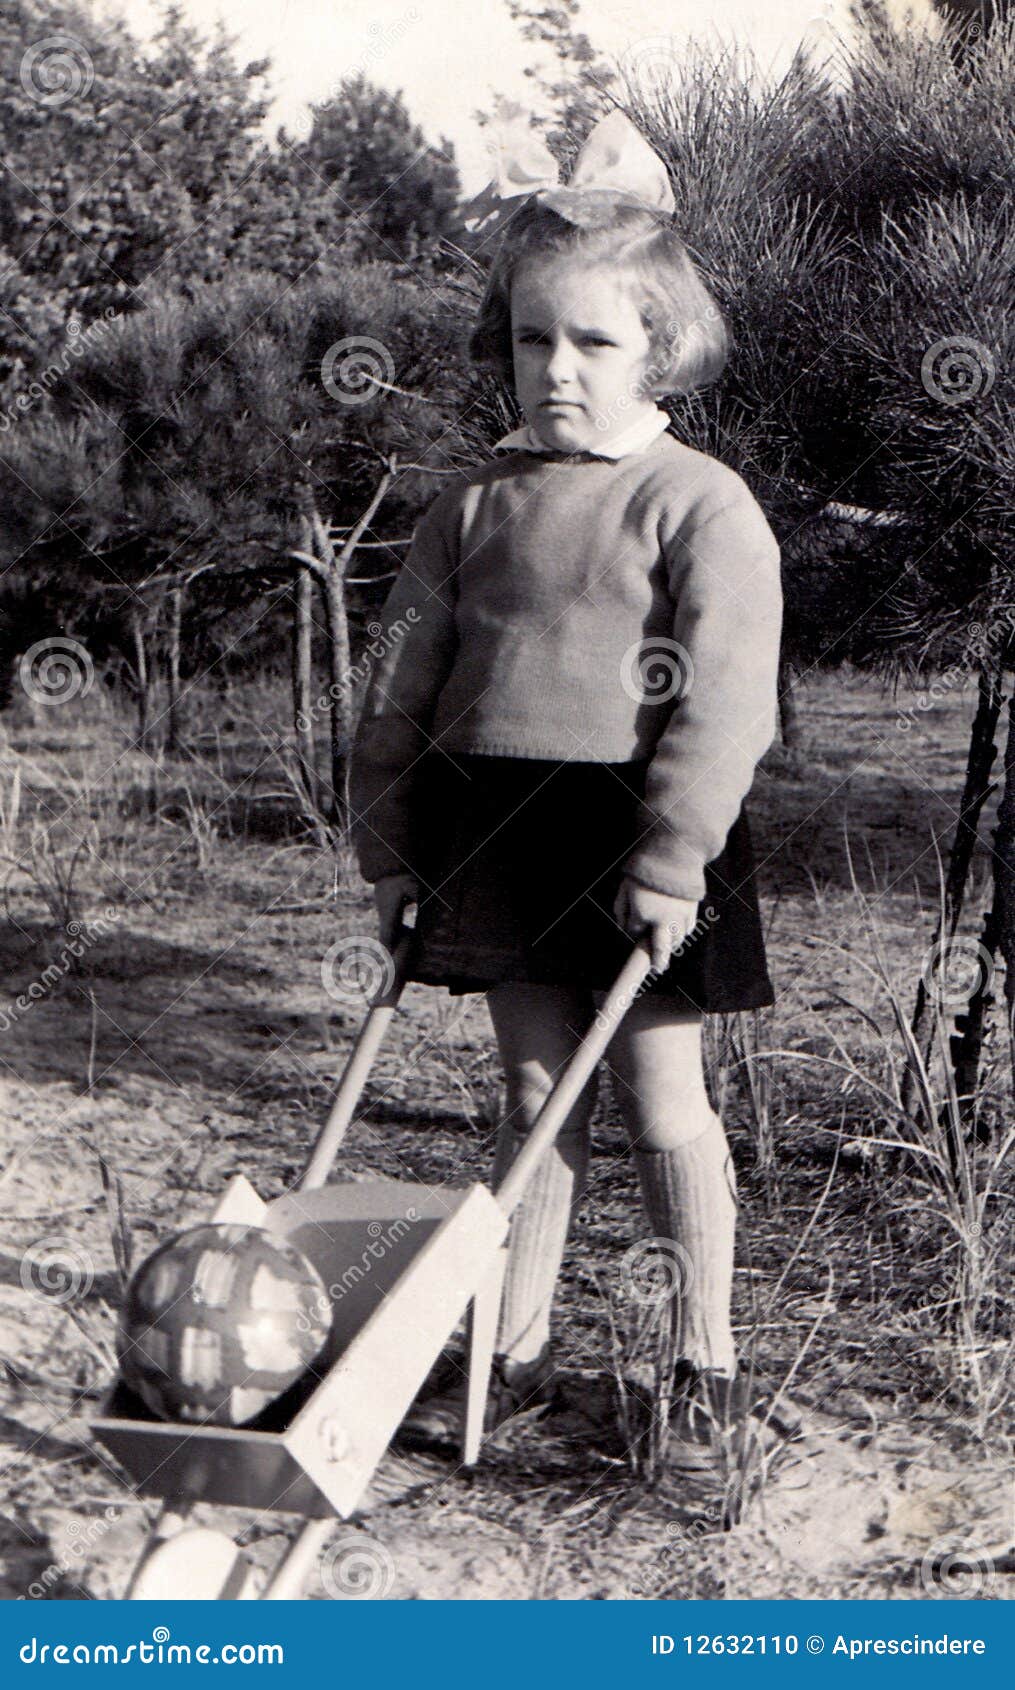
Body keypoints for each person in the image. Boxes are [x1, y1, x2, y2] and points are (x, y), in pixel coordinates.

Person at [348, 110, 796, 1469]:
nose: (558, 371)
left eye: (595, 343)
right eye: (534, 339)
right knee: (534, 1100)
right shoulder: (470, 508)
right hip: (496, 821)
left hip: (639, 828)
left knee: (665, 1099)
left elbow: (722, 705)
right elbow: (400, 696)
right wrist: (389, 846)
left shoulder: (697, 503)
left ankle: (700, 1360)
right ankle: (512, 1344)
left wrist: (671, 866)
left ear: (661, 348)